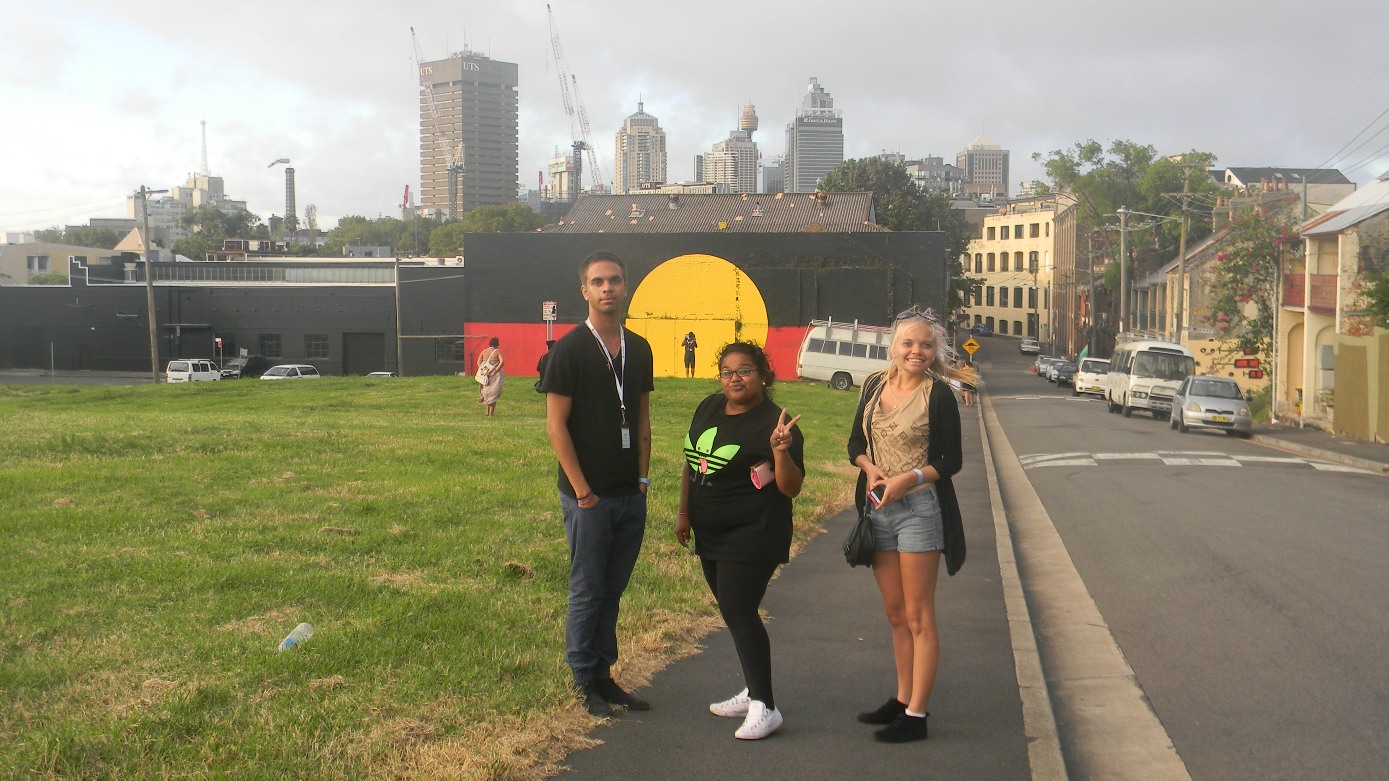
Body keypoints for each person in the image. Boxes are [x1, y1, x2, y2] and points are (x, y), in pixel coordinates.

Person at [846, 308, 973, 743]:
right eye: (908, 343)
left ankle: (917, 715)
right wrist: (870, 469)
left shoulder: (938, 395)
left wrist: (909, 479)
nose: (916, 351)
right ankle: (902, 698)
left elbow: (951, 460)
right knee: (895, 612)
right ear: (893, 347)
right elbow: (855, 443)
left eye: (925, 345)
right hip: (878, 507)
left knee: (919, 615)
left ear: (934, 351)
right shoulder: (872, 385)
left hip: (920, 510)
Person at [540, 251, 655, 718]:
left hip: (629, 492)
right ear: (584, 291)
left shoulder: (639, 348)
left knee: (613, 589)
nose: (608, 288)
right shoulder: (568, 350)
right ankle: (583, 678)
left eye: (615, 280)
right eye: (598, 281)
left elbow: (642, 419)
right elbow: (556, 427)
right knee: (588, 589)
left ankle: (605, 674)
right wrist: (583, 491)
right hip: (588, 498)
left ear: (625, 287)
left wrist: (642, 479)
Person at [676, 342, 803, 740]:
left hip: (755, 531)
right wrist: (684, 513)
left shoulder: (777, 423)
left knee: (738, 608)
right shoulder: (708, 407)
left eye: (745, 370)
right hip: (710, 530)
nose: (735, 378)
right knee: (734, 611)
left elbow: (790, 487)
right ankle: (753, 689)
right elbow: (692, 462)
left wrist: (780, 452)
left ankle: (765, 706)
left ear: (763, 375)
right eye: (727, 372)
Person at [476, 337, 505, 416]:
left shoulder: (484, 351)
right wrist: (495, 370)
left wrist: (483, 370)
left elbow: (478, 362)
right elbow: (502, 362)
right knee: (493, 393)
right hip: (495, 375)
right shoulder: (498, 352)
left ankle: (487, 410)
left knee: (486, 390)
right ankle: (491, 414)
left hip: (485, 374)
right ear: (497, 344)